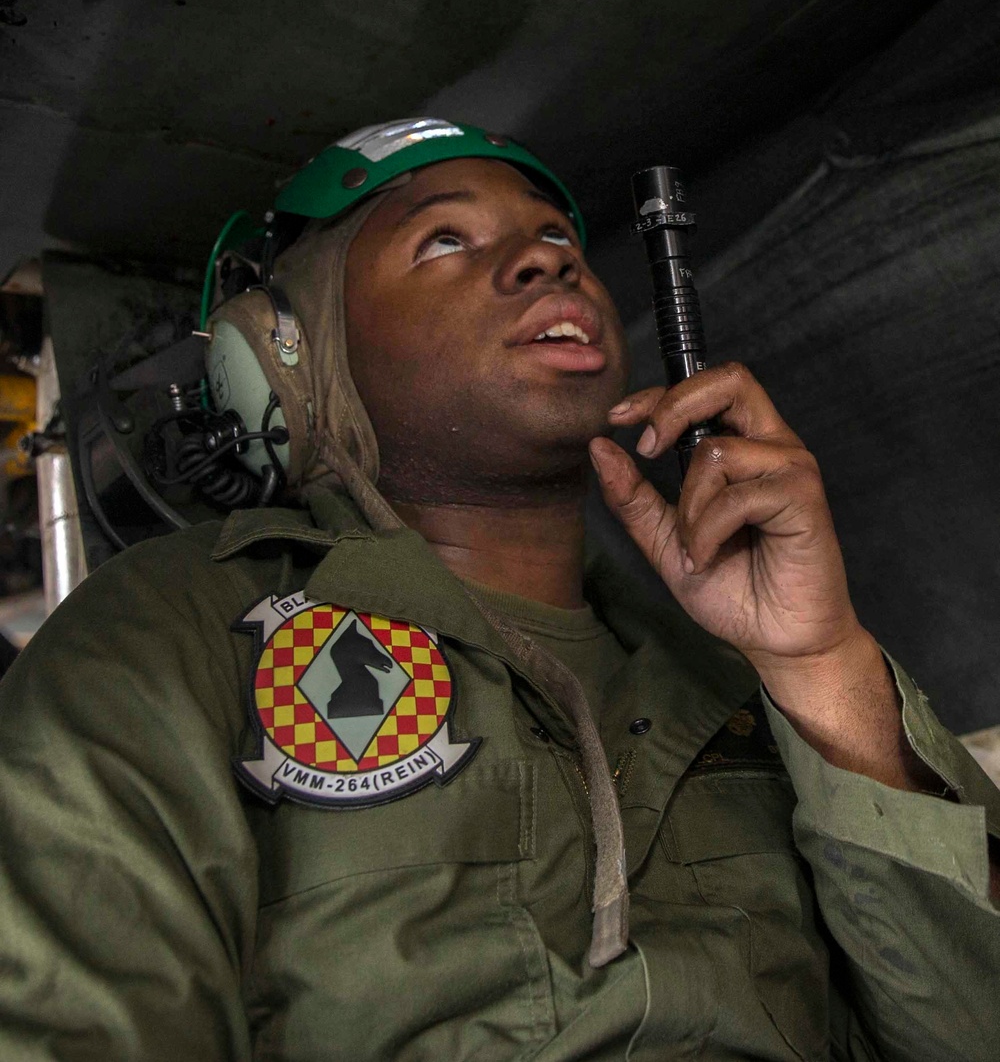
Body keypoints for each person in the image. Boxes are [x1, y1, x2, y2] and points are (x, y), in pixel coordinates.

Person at [0, 118, 996, 1062]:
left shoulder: (741, 679)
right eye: (441, 242)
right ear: (285, 367)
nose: (547, 259)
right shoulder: (171, 638)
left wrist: (815, 664)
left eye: (557, 238)